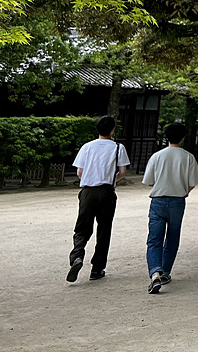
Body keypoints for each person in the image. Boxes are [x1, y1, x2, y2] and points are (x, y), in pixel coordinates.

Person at [68, 115, 130, 282]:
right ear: (112, 130)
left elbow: (79, 172)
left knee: (82, 227)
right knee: (104, 229)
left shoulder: (87, 147)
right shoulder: (118, 148)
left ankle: (77, 256)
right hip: (106, 192)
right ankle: (97, 268)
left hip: (87, 191)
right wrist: (111, 180)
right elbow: (123, 172)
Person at [142, 122, 198, 294]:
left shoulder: (157, 156)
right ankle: (165, 272)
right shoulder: (188, 157)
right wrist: (183, 190)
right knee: (173, 237)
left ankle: (155, 272)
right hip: (177, 201)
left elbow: (149, 181)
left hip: (158, 200)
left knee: (154, 239)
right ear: (183, 137)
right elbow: (193, 182)